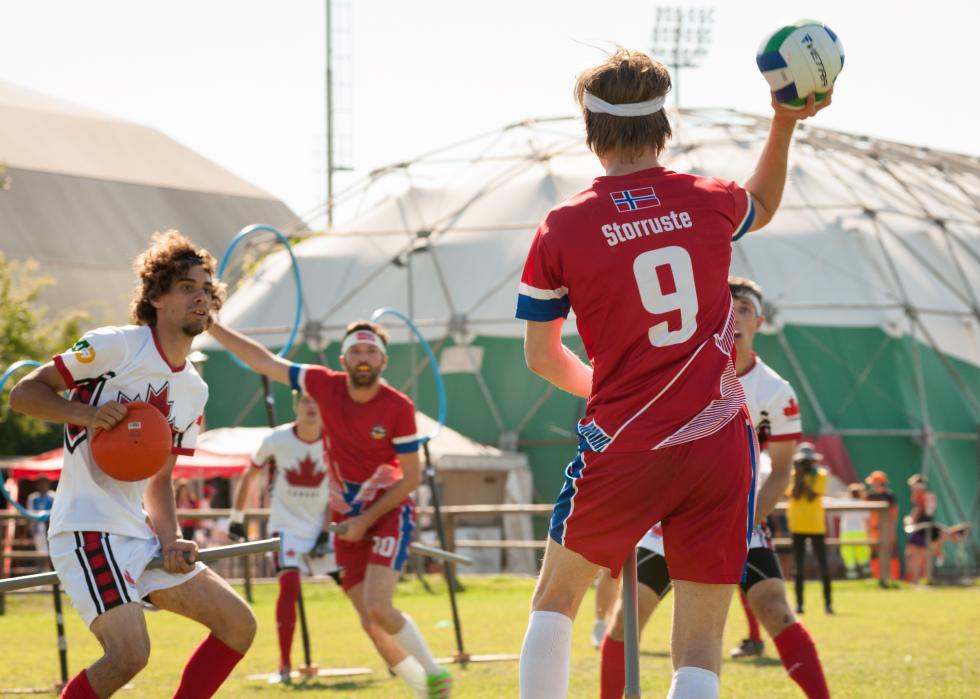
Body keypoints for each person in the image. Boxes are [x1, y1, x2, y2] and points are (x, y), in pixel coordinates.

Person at [515, 47, 831, 699]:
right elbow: (764, 202)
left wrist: (604, 388)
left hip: (624, 441)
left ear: (591, 131)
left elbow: (542, 355)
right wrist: (785, 119)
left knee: (556, 599)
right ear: (664, 128)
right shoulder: (706, 199)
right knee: (699, 644)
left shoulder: (564, 225)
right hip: (718, 445)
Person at [8, 230, 256, 699]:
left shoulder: (195, 391)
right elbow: (25, 394)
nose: (200, 296)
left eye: (207, 288)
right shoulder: (114, 346)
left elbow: (158, 482)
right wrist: (87, 414)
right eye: (187, 287)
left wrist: (171, 540)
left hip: (138, 534)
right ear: (158, 297)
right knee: (129, 655)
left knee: (237, 624)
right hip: (86, 529)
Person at [599, 278, 830, 699]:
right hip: (667, 516)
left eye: (744, 308)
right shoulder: (679, 373)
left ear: (759, 321)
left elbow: (780, 472)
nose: (735, 315)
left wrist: (743, 522)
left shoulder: (776, 392)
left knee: (776, 610)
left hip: (738, 516)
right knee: (623, 623)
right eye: (726, 306)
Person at [208, 320, 452, 698]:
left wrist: (366, 519)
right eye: (355, 351)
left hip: (387, 514)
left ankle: (435, 676)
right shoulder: (323, 384)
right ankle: (424, 689)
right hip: (342, 519)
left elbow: (411, 478)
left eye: (371, 351)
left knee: (380, 608)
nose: (363, 358)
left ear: (384, 360)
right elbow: (265, 362)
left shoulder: (398, 407)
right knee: (369, 621)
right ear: (343, 359)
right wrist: (211, 325)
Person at [228, 391, 337, 684]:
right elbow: (250, 475)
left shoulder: (334, 440)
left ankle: (395, 656)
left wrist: (327, 531)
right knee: (288, 589)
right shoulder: (276, 440)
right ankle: (285, 666)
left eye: (316, 400)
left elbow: (338, 488)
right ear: (296, 405)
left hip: (323, 530)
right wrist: (237, 518)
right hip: (285, 528)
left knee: (361, 590)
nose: (311, 407)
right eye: (305, 401)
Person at [787, 443, 832, 614]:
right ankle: (799, 604)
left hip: (816, 526)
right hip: (797, 525)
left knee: (823, 566)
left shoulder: (820, 475)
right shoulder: (792, 475)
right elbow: (795, 494)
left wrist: (802, 478)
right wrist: (798, 477)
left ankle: (828, 603)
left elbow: (812, 496)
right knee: (798, 567)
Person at [864, 469, 898, 587]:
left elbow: (894, 514)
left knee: (889, 552)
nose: (872, 485)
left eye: (874, 482)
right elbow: (866, 514)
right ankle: (877, 578)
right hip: (873, 529)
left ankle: (892, 578)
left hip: (886, 528)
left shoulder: (889, 496)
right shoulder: (869, 495)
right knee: (874, 554)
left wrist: (891, 529)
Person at [904, 474, 938, 583]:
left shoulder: (919, 495)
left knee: (913, 555)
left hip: (919, 528)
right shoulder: (930, 495)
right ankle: (926, 579)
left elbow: (917, 510)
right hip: (928, 528)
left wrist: (909, 520)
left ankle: (915, 580)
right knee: (924, 555)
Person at [839, 483, 871, 579]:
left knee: (848, 553)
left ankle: (852, 575)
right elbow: (866, 517)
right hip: (860, 532)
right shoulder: (863, 503)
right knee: (863, 553)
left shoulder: (844, 503)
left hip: (847, 532)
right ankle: (866, 575)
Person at [26, 475, 55, 555]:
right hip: (37, 528)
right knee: (40, 550)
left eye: (45, 483)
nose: (43, 485)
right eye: (41, 483)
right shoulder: (32, 498)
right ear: (37, 485)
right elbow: (29, 513)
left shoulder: (53, 496)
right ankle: (44, 567)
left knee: (52, 549)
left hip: (51, 527)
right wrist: (30, 529)